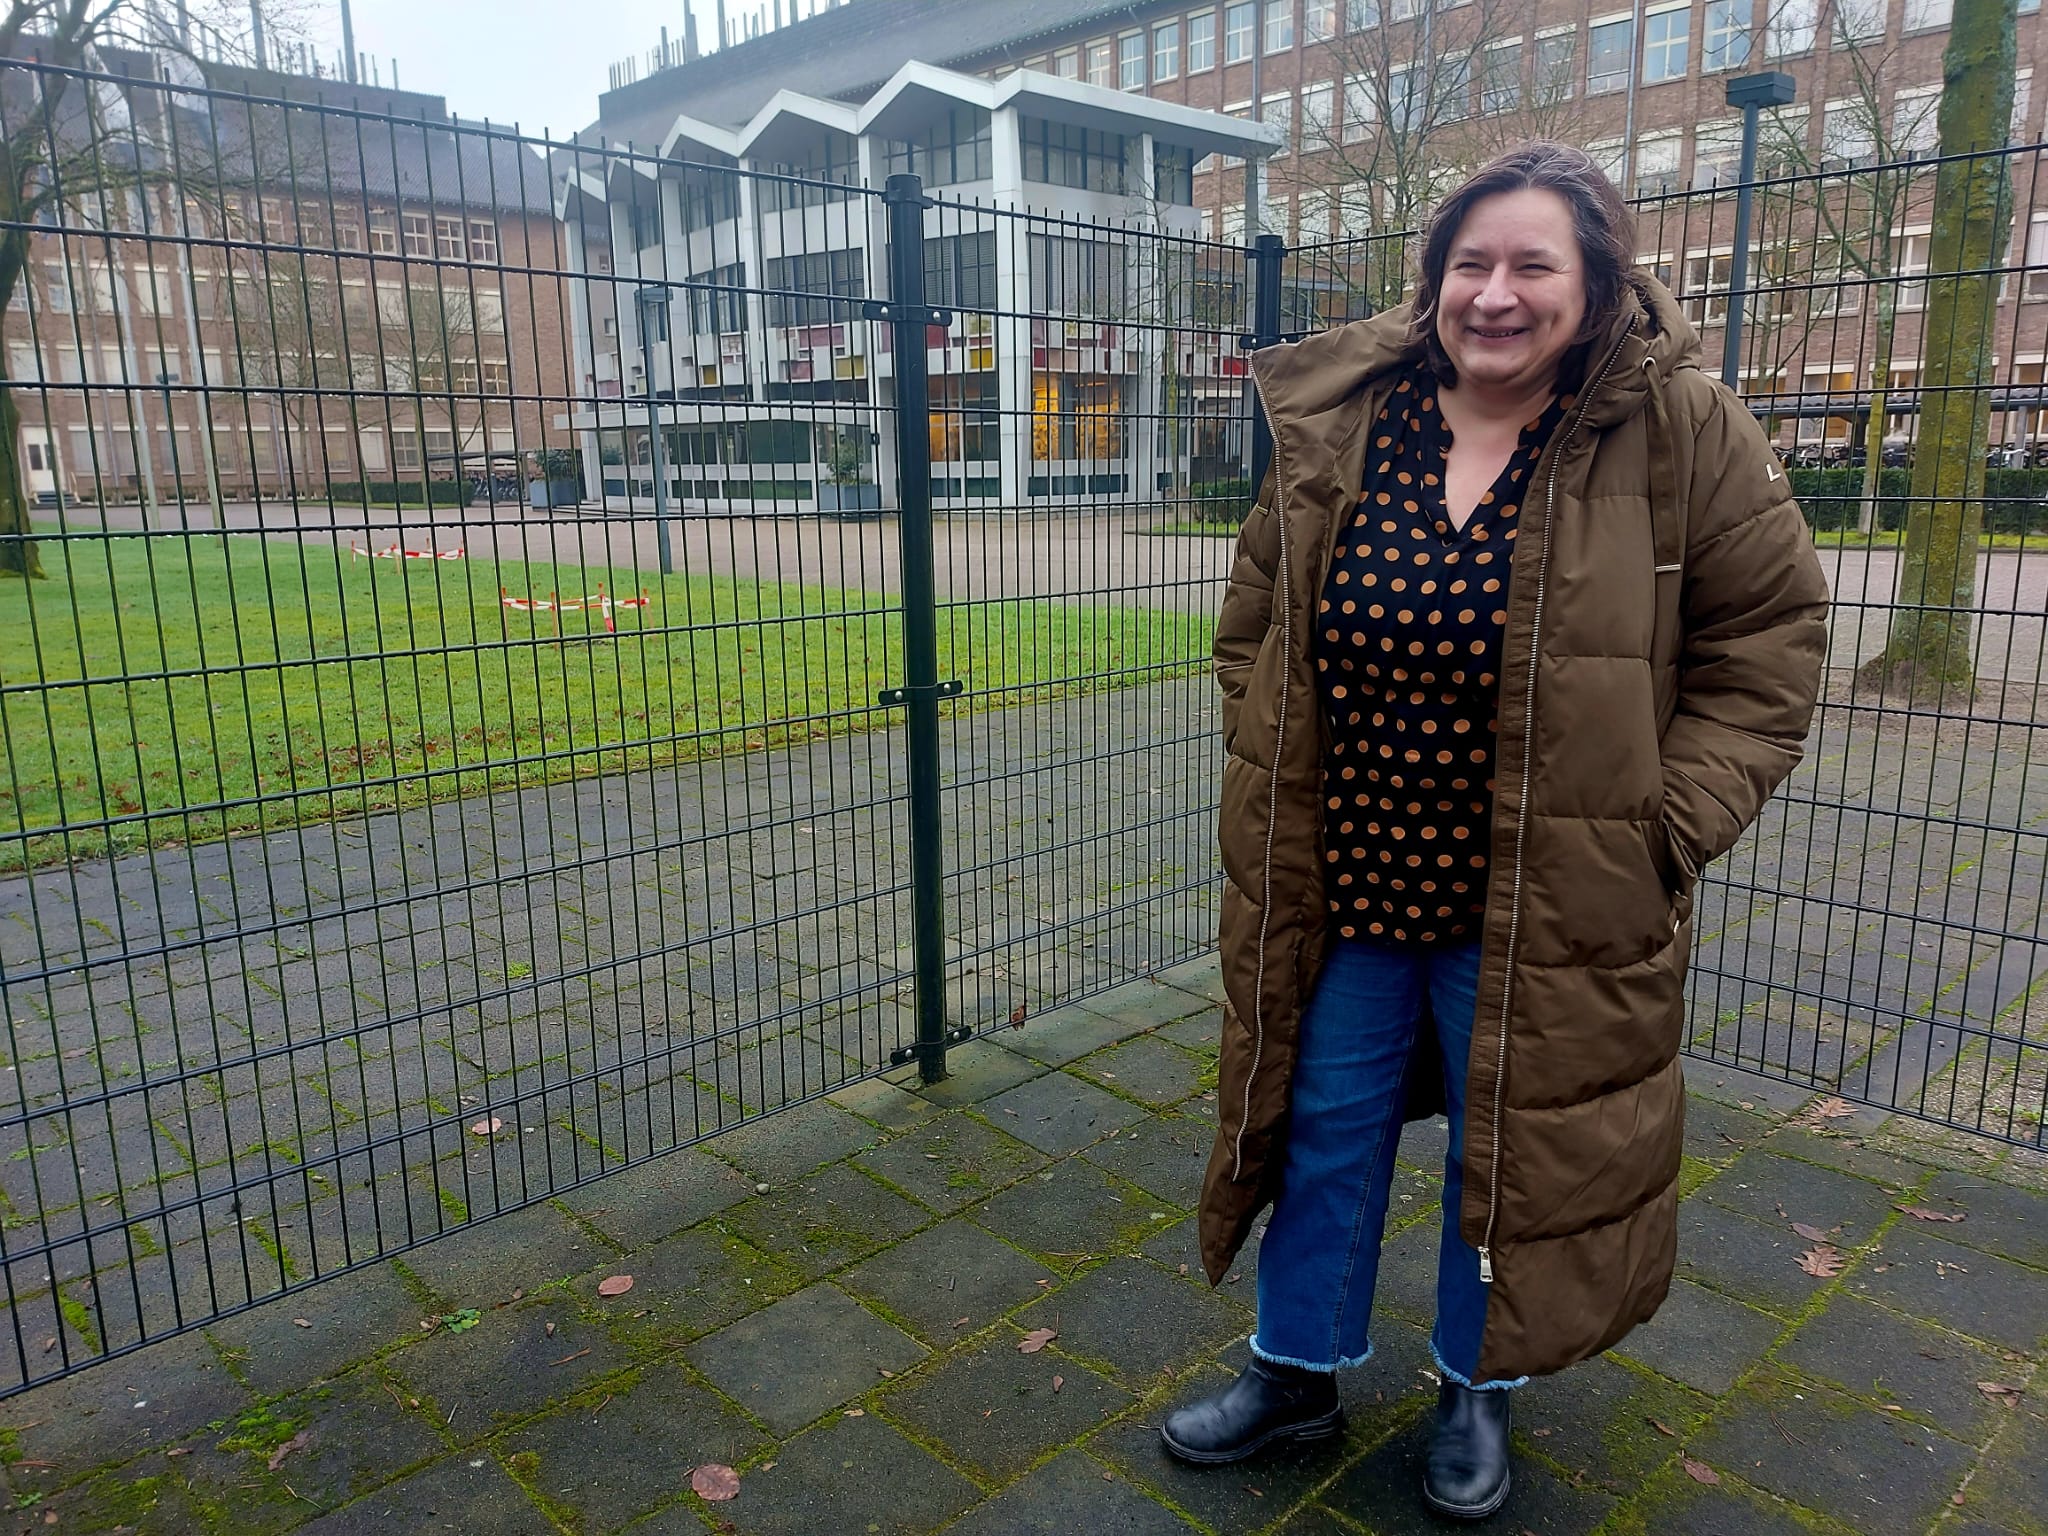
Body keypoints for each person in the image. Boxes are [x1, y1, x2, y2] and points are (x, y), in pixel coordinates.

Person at [1160, 143, 1829, 1521]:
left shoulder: (1681, 427)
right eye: (1473, 263)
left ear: (1596, 285)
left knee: (1514, 1147)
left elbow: (1769, 652)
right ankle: (1297, 1370)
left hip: (1546, 895)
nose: (1498, 294)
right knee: (1323, 1125)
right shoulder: (1353, 417)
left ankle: (1483, 1387)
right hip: (1345, 877)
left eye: (1535, 265)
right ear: (1435, 279)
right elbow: (1256, 623)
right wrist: (1270, 743)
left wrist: (1661, 829)